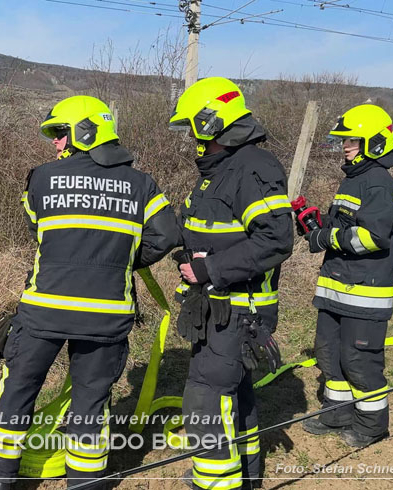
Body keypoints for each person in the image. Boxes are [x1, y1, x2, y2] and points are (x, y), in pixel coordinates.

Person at [0, 95, 180, 489]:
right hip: (106, 316)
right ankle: (86, 483)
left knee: (17, 388)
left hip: (42, 312)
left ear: (85, 132)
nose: (54, 142)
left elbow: (40, 230)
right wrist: (124, 259)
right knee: (92, 400)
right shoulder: (142, 184)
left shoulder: (41, 178)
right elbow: (168, 235)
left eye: (59, 132)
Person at [169, 77, 294, 490]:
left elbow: (276, 239)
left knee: (206, 397)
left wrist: (210, 269)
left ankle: (215, 482)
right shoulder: (219, 172)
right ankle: (245, 477)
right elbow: (205, 228)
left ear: (211, 123)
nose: (191, 138)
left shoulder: (252, 167)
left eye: (193, 127)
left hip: (238, 310)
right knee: (234, 396)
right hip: (218, 308)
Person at [300, 104, 393, 448]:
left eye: (353, 140)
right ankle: (336, 415)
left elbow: (372, 237)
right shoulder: (353, 179)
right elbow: (345, 227)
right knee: (329, 355)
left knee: (360, 362)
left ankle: (371, 427)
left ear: (374, 142)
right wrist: (318, 225)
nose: (345, 146)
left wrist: (327, 237)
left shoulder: (380, 183)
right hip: (334, 290)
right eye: (345, 140)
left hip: (364, 293)